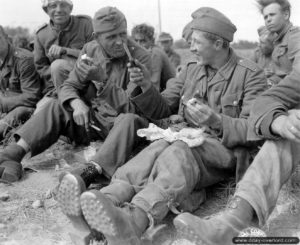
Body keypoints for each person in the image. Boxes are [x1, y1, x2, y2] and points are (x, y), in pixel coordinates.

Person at [57, 7, 267, 245]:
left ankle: (136, 220)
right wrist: (146, 86)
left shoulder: (250, 75)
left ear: (218, 43)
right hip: (184, 138)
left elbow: (254, 130)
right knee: (152, 152)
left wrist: (217, 121)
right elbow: (163, 109)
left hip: (221, 149)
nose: (191, 48)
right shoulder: (191, 70)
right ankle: (105, 201)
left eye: (196, 42)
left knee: (177, 152)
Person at [173, 0, 300, 244]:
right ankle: (229, 224)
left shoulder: (287, 42)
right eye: (266, 16)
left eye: (272, 15)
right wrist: (277, 120)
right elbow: (271, 98)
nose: (268, 20)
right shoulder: (287, 41)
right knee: (286, 131)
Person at [0, 6, 151, 184]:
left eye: (122, 34)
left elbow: (135, 108)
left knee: (129, 119)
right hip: (96, 124)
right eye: (111, 37)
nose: (120, 42)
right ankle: (12, 154)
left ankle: (90, 172)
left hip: (127, 128)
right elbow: (68, 85)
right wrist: (76, 102)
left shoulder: (141, 57)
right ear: (97, 38)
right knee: (57, 105)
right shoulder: (90, 49)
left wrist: (103, 82)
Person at [34, 0, 93, 113]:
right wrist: (58, 82)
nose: (59, 10)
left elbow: (95, 55)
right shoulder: (41, 35)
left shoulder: (86, 24)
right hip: (57, 89)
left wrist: (66, 51)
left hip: (87, 85)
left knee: (58, 65)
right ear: (46, 10)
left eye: (63, 5)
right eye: (53, 6)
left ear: (70, 8)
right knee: (39, 113)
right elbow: (41, 67)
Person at [0, 26, 42, 142]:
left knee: (5, 124)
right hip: (7, 109)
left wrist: (3, 103)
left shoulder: (23, 59)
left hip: (27, 109)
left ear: (7, 38)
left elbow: (32, 97)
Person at [131, 24, 176, 91]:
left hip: (167, 94)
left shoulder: (155, 54)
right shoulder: (141, 55)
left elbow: (154, 86)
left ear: (152, 41)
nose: (138, 45)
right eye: (136, 41)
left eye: (143, 41)